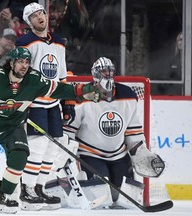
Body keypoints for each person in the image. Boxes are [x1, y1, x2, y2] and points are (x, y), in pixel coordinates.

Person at [0, 47, 101, 214]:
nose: (24, 66)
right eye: (20, 62)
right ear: (11, 63)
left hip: (13, 126)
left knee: (19, 156)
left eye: (27, 62)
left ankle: (5, 196)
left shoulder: (34, 80)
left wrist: (82, 91)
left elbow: (59, 90)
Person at [62, 57, 165, 209]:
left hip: (119, 155)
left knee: (126, 198)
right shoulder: (83, 97)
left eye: (110, 72)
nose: (108, 75)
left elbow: (133, 132)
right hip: (90, 156)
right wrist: (67, 157)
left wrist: (141, 152)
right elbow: (69, 133)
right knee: (102, 197)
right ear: (96, 75)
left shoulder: (128, 95)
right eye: (104, 72)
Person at [15, 2, 75, 211]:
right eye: (34, 16)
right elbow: (18, 74)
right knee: (38, 146)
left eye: (42, 13)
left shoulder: (59, 43)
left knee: (53, 147)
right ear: (29, 22)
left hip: (54, 104)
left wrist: (67, 103)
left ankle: (39, 189)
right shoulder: (24, 43)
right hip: (35, 104)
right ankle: (27, 191)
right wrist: (21, 103)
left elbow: (62, 74)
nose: (40, 17)